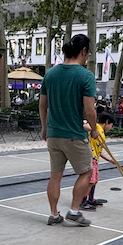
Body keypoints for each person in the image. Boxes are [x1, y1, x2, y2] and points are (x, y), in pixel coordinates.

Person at [40, 33, 98, 227]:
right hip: (74, 134)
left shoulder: (50, 74)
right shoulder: (85, 76)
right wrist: (94, 130)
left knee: (55, 176)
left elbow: (42, 105)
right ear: (84, 51)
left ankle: (53, 214)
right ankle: (74, 211)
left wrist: (44, 127)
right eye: (88, 53)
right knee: (87, 172)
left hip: (54, 134)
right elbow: (89, 110)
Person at [80, 111, 115, 211]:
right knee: (90, 181)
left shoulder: (102, 133)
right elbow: (85, 126)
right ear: (107, 122)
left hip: (95, 158)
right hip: (90, 158)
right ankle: (83, 201)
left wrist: (109, 160)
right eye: (111, 125)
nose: (110, 128)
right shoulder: (97, 128)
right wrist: (92, 130)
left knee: (94, 181)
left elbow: (99, 151)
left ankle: (91, 199)